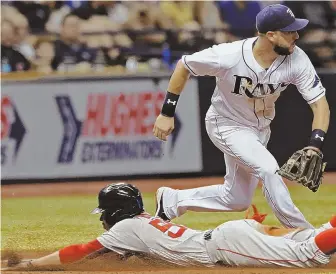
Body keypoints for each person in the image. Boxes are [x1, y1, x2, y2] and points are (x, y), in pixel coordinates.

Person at [152, 4, 330, 229]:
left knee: (236, 198)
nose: (296, 35)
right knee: (268, 169)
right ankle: (303, 233)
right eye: (289, 31)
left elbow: (319, 104)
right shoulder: (229, 55)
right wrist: (167, 113)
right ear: (271, 35)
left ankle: (171, 202)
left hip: (260, 129)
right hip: (227, 124)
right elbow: (184, 65)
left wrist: (315, 144)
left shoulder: (297, 59)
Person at [3, 183, 336, 270]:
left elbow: (81, 252)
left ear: (114, 212)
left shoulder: (125, 230)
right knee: (310, 233)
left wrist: (31, 264)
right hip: (231, 235)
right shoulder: (143, 223)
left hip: (225, 245)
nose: (103, 218)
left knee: (310, 252)